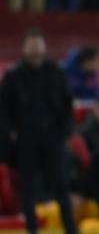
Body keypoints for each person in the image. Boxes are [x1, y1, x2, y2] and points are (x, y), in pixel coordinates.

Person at [0, 28, 78, 234]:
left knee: (61, 185)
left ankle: (71, 229)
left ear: (44, 47)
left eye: (38, 44)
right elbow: (4, 109)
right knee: (28, 189)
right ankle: (32, 230)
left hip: (53, 135)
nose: (35, 49)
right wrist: (11, 134)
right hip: (26, 137)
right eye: (31, 45)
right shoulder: (13, 75)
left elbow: (67, 103)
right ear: (24, 48)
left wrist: (66, 132)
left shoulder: (56, 72)